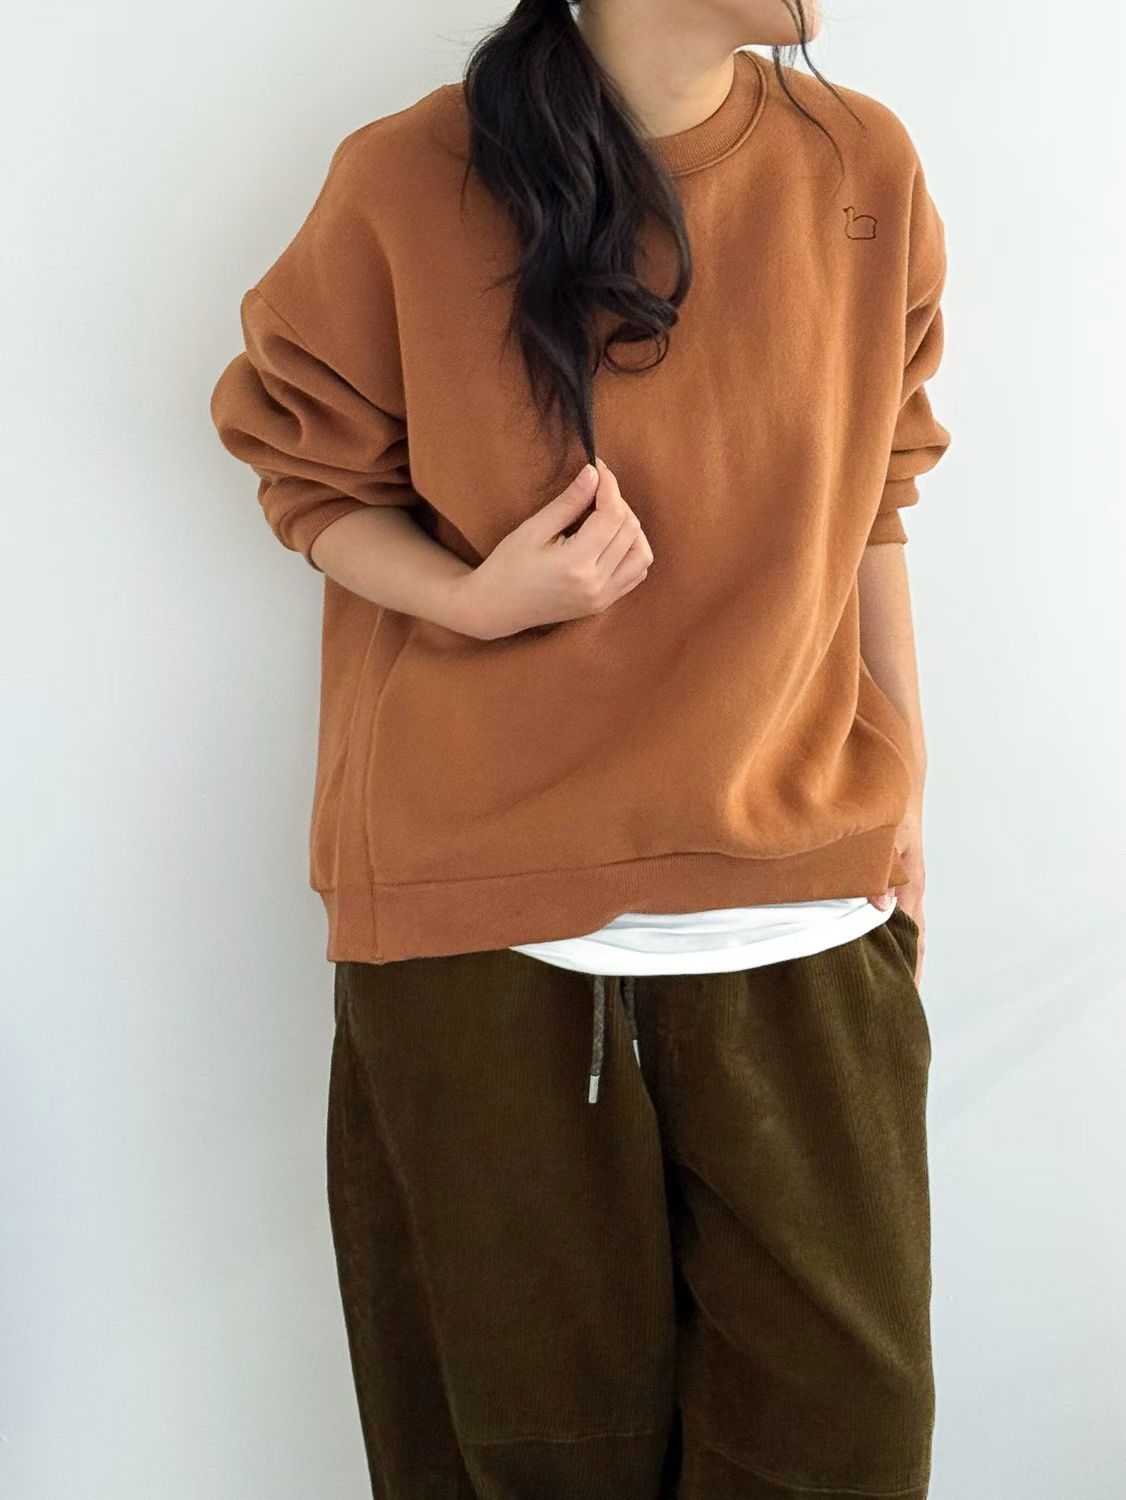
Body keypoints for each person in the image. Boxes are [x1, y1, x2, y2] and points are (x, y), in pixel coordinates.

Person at [209, 0, 950, 1494]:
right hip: (485, 931)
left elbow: (878, 487)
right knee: (529, 1460)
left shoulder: (859, 165)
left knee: (846, 1444)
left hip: (800, 907)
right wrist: (474, 599)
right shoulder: (406, 180)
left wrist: (905, 794)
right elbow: (305, 469)